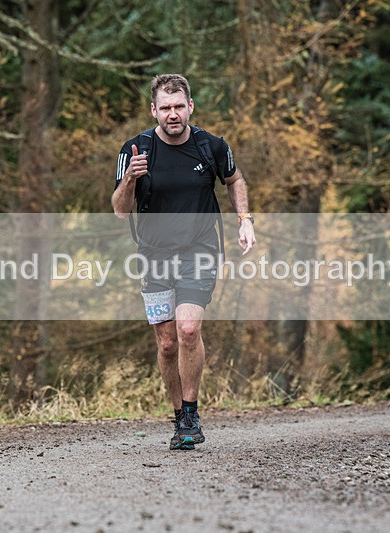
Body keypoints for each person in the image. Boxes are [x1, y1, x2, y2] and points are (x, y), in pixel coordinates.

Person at [111, 74, 256, 449]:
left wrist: (244, 220)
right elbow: (118, 211)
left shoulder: (211, 146)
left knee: (188, 329)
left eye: (179, 107)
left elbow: (235, 180)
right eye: (165, 108)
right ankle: (178, 417)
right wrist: (129, 180)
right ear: (154, 111)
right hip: (154, 255)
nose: (172, 114)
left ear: (190, 106)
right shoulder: (135, 150)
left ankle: (191, 414)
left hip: (200, 249)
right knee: (166, 343)